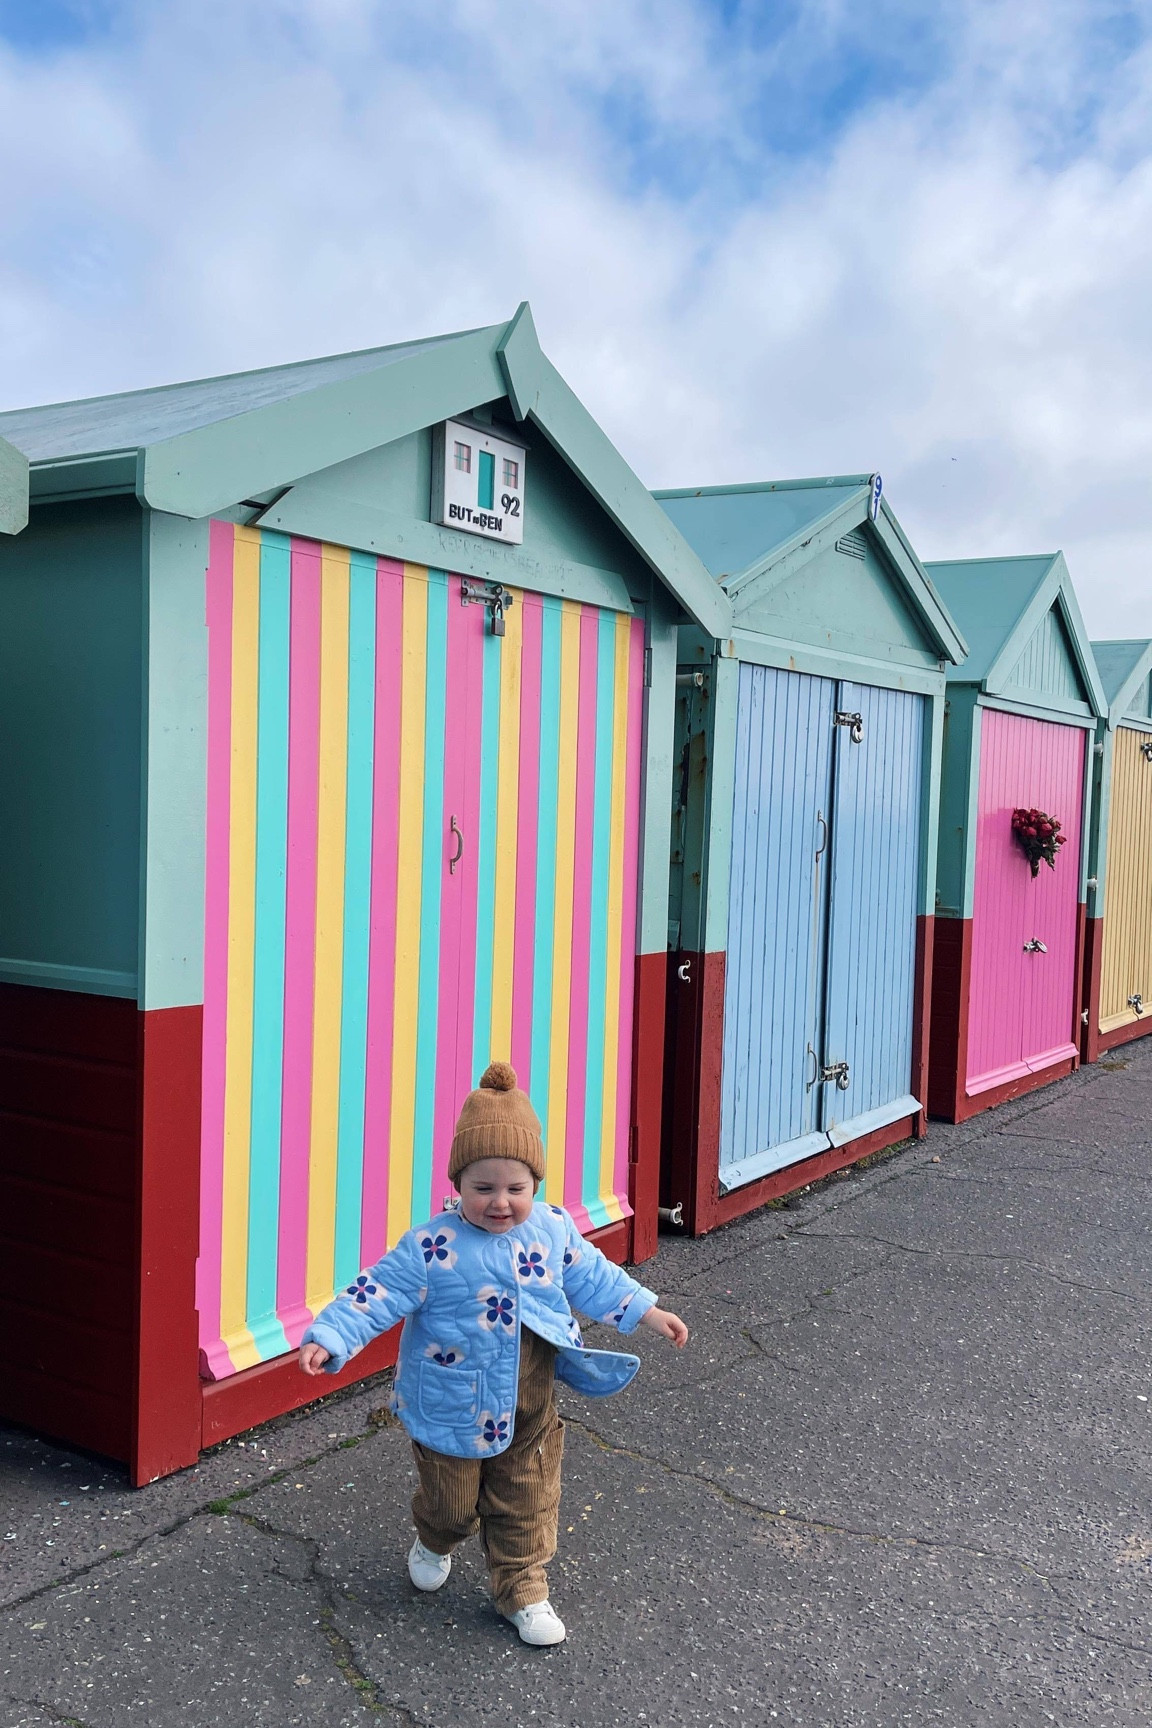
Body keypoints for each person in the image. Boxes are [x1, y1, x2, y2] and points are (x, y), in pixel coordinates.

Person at [299, 1061, 688, 1646]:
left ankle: (524, 1589)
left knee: (527, 1496)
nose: (500, 1202)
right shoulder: (433, 1247)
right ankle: (434, 1537)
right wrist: (330, 1336)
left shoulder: (553, 1231)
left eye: (516, 1189)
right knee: (452, 1504)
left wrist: (646, 1311)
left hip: (530, 1400)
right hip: (451, 1404)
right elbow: (378, 1291)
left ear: (537, 1185)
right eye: (483, 1188)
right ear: (459, 1185)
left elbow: (595, 1278)